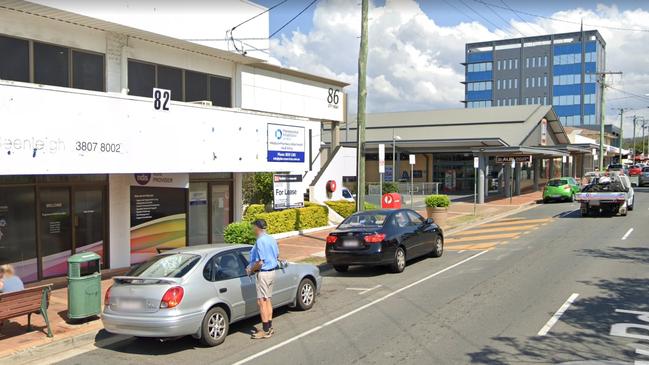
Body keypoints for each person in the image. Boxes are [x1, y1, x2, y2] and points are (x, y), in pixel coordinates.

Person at [246, 219, 279, 339]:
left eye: (253, 227)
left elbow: (260, 262)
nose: (252, 229)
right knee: (268, 299)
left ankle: (265, 330)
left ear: (257, 228)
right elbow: (277, 255)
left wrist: (251, 269)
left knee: (261, 302)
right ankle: (269, 327)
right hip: (272, 271)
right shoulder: (271, 239)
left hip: (264, 273)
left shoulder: (260, 241)